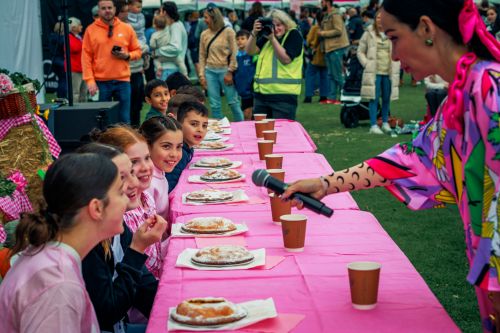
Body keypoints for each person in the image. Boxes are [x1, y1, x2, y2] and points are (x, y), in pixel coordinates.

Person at [283, 0, 500, 331]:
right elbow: (412, 157)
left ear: (426, 28)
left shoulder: (490, 88)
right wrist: (326, 184)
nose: (394, 54)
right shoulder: (463, 94)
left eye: (395, 36)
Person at [0, 153, 128, 332]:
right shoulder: (58, 286)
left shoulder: (53, 256)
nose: (127, 200)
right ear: (97, 208)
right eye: (121, 192)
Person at [77, 143, 166, 332]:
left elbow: (145, 287)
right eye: (122, 179)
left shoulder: (116, 227)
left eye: (131, 173)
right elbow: (107, 314)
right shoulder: (86, 247)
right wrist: (136, 251)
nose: (134, 184)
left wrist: (177, 314)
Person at [90, 126, 166, 280]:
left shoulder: (145, 197)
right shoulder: (118, 216)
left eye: (147, 157)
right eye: (134, 163)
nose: (145, 167)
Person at [82, 0, 142, 124]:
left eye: (110, 7)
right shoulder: (90, 30)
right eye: (103, 8)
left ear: (115, 9)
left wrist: (127, 56)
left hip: (123, 81)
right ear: (98, 11)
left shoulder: (127, 28)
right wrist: (90, 80)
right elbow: (86, 57)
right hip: (101, 82)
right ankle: (104, 143)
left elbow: (138, 51)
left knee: (124, 119)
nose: (107, 10)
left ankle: (125, 143)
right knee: (102, 120)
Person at [246, 9, 304, 120]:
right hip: (261, 96)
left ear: (286, 23)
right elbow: (250, 51)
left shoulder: (293, 35)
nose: (276, 29)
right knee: (260, 134)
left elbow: (286, 59)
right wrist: (254, 33)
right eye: (273, 25)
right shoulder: (267, 37)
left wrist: (272, 39)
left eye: (279, 25)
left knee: (281, 134)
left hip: (283, 97)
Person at [357, 10, 400, 134]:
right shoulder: (368, 33)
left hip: (388, 71)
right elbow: (360, 51)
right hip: (374, 71)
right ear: (375, 19)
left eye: (382, 18)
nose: (380, 20)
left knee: (386, 98)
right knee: (373, 98)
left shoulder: (392, 32)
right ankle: (373, 125)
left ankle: (385, 122)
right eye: (378, 18)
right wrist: (366, 63)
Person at [199, 4, 244, 121]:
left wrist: (230, 71)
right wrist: (201, 75)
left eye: (206, 17)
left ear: (214, 18)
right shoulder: (204, 34)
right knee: (214, 105)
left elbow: (235, 52)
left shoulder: (228, 31)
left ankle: (242, 127)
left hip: (225, 70)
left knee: (233, 103)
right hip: (210, 72)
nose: (204, 20)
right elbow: (202, 56)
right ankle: (219, 133)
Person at [140, 116, 184, 217]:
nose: (174, 154)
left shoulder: (159, 171)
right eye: (166, 146)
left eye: (179, 147)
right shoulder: (147, 183)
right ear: (147, 146)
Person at [166, 101, 209, 192]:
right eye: (194, 124)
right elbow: (170, 186)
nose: (200, 130)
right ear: (179, 124)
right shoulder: (178, 153)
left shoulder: (188, 148)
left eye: (204, 125)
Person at [319, 0, 350, 105]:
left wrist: (323, 33)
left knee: (337, 75)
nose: (321, 4)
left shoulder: (335, 15)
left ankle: (345, 97)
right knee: (331, 75)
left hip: (336, 47)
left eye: (322, 2)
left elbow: (338, 30)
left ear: (327, 2)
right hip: (330, 48)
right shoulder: (328, 15)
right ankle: (332, 98)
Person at [156, 2, 188, 79]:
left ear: (165, 12)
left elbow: (175, 48)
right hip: (168, 68)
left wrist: (158, 51)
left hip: (170, 69)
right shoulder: (172, 25)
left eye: (160, 11)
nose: (159, 14)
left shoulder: (175, 26)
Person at [304, 11, 330, 104]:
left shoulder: (315, 28)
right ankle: (323, 96)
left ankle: (308, 96)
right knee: (325, 76)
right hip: (326, 56)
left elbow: (308, 41)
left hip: (315, 56)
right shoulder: (329, 30)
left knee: (310, 75)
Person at [234, 29, 257, 120]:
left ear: (249, 40)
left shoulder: (252, 54)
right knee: (246, 115)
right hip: (242, 91)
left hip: (251, 90)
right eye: (238, 39)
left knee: (249, 114)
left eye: (242, 38)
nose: (239, 41)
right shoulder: (235, 55)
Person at [68, 17, 87, 102]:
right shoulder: (68, 37)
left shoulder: (79, 37)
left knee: (84, 92)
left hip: (82, 68)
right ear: (73, 27)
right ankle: (74, 111)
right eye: (79, 25)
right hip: (74, 69)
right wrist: (84, 44)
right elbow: (74, 48)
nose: (81, 27)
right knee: (75, 92)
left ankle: (84, 111)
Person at [50, 22, 67, 99]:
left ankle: (60, 95)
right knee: (63, 80)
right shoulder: (61, 38)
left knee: (61, 80)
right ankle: (62, 96)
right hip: (61, 61)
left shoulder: (52, 37)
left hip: (54, 61)